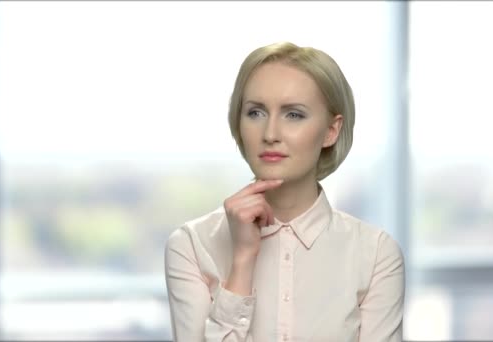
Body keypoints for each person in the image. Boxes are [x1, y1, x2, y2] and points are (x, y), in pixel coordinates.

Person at [164, 41, 405, 341]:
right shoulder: (191, 246)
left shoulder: (376, 255)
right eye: (255, 112)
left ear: (331, 130)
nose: (270, 134)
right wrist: (242, 260)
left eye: (294, 115)